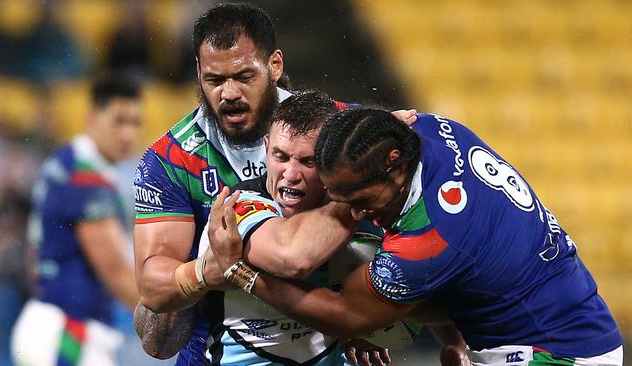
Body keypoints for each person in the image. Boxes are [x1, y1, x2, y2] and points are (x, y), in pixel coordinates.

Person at [211, 109, 623, 365]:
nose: (355, 214)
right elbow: (356, 125)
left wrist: (242, 273)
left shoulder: (430, 238)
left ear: (393, 165)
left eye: (361, 199)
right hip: (567, 324)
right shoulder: (430, 127)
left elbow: (346, 314)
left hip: (553, 352)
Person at [132, 3, 418, 364]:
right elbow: (152, 285)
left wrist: (370, 317)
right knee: (155, 327)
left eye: (243, 76)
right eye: (215, 80)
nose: (229, 93)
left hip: (326, 339)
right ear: (198, 73)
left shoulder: (337, 126)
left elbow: (417, 214)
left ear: (275, 65)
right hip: (222, 349)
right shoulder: (170, 161)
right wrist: (203, 272)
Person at [11, 73, 142, 365]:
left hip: (49, 321)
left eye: (135, 123)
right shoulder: (86, 180)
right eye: (119, 121)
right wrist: (172, 318)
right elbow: (115, 271)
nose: (128, 134)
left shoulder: (64, 162)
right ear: (92, 118)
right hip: (70, 332)